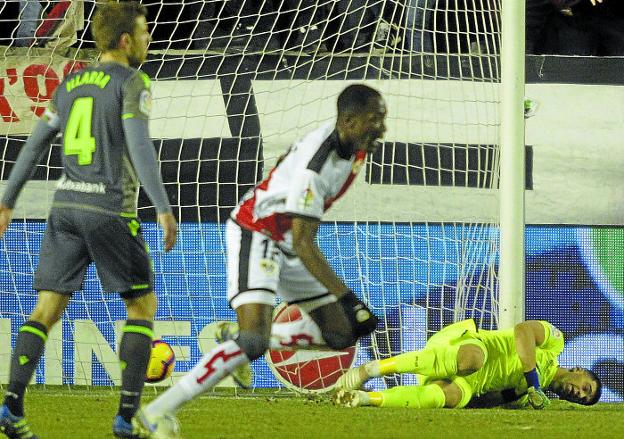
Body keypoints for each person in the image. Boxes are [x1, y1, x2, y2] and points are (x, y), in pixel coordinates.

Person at [140, 84, 386, 434]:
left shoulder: (356, 150)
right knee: (252, 341)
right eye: (374, 120)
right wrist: (348, 298)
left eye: (383, 120)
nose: (381, 128)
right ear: (348, 121)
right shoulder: (315, 170)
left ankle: (241, 337)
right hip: (257, 232)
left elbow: (299, 239)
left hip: (287, 240)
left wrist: (347, 310)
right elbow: (304, 242)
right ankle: (157, 412)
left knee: (340, 333)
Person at [0, 2, 177, 439]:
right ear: (124, 40)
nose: (148, 40)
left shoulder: (71, 83)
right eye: (144, 32)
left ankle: (11, 406)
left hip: (65, 209)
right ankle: (125, 417)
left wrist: (6, 201)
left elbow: (34, 145)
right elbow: (138, 146)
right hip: (110, 209)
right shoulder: (133, 82)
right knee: (142, 307)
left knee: (46, 307)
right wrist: (162, 205)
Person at [333, 319, 602, 409]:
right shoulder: (555, 344)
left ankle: (364, 398)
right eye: (586, 388)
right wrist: (533, 380)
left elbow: (490, 399)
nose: (579, 394)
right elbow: (523, 331)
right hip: (470, 346)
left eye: (582, 399)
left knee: (450, 396)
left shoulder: (530, 398)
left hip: (473, 381)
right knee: (473, 359)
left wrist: (468, 399)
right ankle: (370, 370)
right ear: (579, 370)